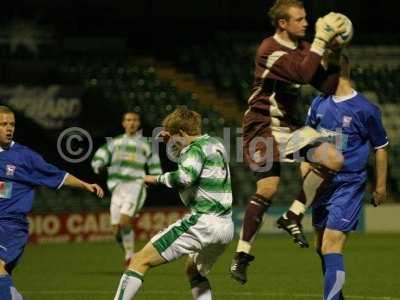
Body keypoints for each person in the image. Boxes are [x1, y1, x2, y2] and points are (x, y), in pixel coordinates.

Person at [230, 0, 348, 284]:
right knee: (268, 188)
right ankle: (242, 255)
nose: (306, 23)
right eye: (300, 19)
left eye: (306, 18)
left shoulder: (305, 48)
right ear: (283, 23)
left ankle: (293, 215)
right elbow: (303, 75)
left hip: (290, 126)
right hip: (260, 126)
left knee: (334, 158)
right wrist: (321, 40)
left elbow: (327, 85)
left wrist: (333, 54)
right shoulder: (269, 49)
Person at [113, 106, 234, 300]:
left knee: (138, 261)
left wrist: (152, 178)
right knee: (193, 271)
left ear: (182, 133)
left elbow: (185, 176)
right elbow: (192, 158)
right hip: (226, 226)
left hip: (203, 222)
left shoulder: (193, 150)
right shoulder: (215, 143)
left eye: (174, 136)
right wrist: (172, 142)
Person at [304, 54, 388, 300]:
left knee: (331, 245)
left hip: (349, 184)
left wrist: (380, 186)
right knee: (321, 248)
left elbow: (380, 146)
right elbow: (308, 140)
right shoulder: (318, 103)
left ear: (336, 73)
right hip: (321, 183)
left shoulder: (365, 109)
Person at [0, 105, 104, 299]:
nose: (9, 128)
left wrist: (84, 184)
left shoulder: (25, 157)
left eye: (11, 124)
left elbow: (58, 176)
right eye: (3, 124)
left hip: (10, 226)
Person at [91, 112, 162, 266]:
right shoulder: (114, 143)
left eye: (135, 120)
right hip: (117, 188)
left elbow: (155, 167)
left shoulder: (146, 143)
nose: (132, 123)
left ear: (138, 123)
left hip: (135, 186)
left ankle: (130, 257)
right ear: (123, 123)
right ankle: (129, 253)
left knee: (124, 221)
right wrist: (99, 165)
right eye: (128, 120)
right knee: (116, 230)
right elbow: (99, 157)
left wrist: (153, 180)